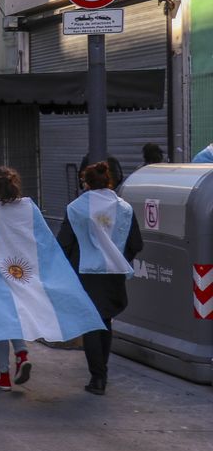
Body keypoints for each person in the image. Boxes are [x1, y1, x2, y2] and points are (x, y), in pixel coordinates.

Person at [0, 166, 104, 392]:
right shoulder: (30, 208)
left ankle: (5, 376)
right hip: (27, 275)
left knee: (1, 320)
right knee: (16, 315)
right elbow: (45, 242)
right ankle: (21, 355)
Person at [57, 161, 144, 395]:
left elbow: (64, 243)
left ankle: (98, 377)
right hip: (114, 273)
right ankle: (101, 372)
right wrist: (118, 256)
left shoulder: (76, 208)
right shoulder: (124, 208)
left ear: (85, 183)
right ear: (109, 181)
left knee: (90, 323)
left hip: (85, 273)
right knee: (105, 320)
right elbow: (136, 243)